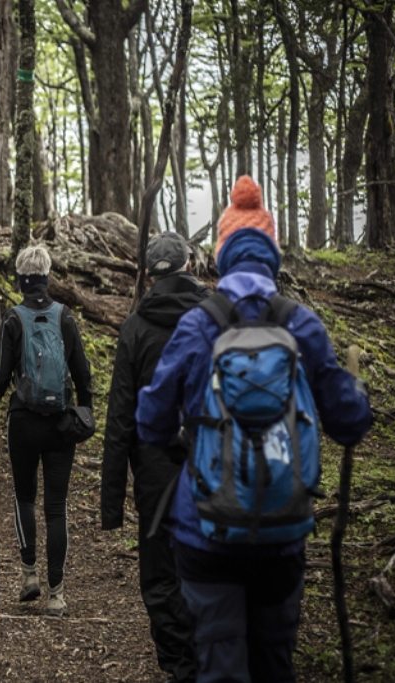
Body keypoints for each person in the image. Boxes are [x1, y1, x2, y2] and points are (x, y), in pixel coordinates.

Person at [136, 176, 372, 683]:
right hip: (282, 531)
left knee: (219, 663)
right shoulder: (301, 324)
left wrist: (186, 436)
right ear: (271, 253)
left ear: (223, 254)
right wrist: (356, 392)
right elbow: (350, 423)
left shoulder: (200, 324)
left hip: (205, 528)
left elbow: (150, 420)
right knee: (273, 660)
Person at [102, 232, 207, 683]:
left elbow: (120, 417)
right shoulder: (216, 318)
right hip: (213, 464)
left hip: (154, 471)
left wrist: (111, 501)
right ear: (190, 266)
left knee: (161, 573)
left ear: (147, 274)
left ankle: (180, 665)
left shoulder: (135, 328)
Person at [0, 245, 93, 617]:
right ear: (46, 277)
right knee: (56, 508)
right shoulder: (65, 318)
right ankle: (56, 595)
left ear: (21, 280)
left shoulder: (14, 319)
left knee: (24, 497)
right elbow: (83, 375)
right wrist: (85, 412)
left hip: (24, 423)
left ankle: (29, 575)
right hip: (61, 426)